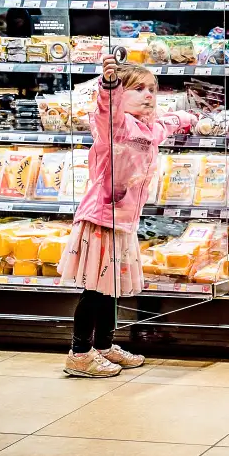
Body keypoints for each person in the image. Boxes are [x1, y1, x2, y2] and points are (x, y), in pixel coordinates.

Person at [61, 53, 196, 378]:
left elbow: (164, 126)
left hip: (123, 224)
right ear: (122, 96)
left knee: (111, 288)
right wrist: (109, 86)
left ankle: (104, 346)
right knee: (94, 291)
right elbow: (106, 112)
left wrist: (189, 117)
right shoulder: (116, 127)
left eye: (152, 89)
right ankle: (79, 353)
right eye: (138, 89)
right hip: (101, 221)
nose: (148, 95)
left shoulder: (146, 130)